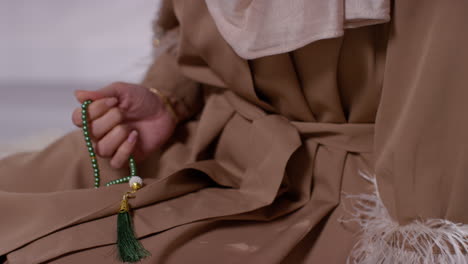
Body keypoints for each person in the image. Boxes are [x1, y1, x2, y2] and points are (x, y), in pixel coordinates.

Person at [1, 0, 467, 263]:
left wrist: (419, 244)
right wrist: (169, 95)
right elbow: (198, 25)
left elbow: (444, 108)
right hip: (211, 134)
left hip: (363, 200)